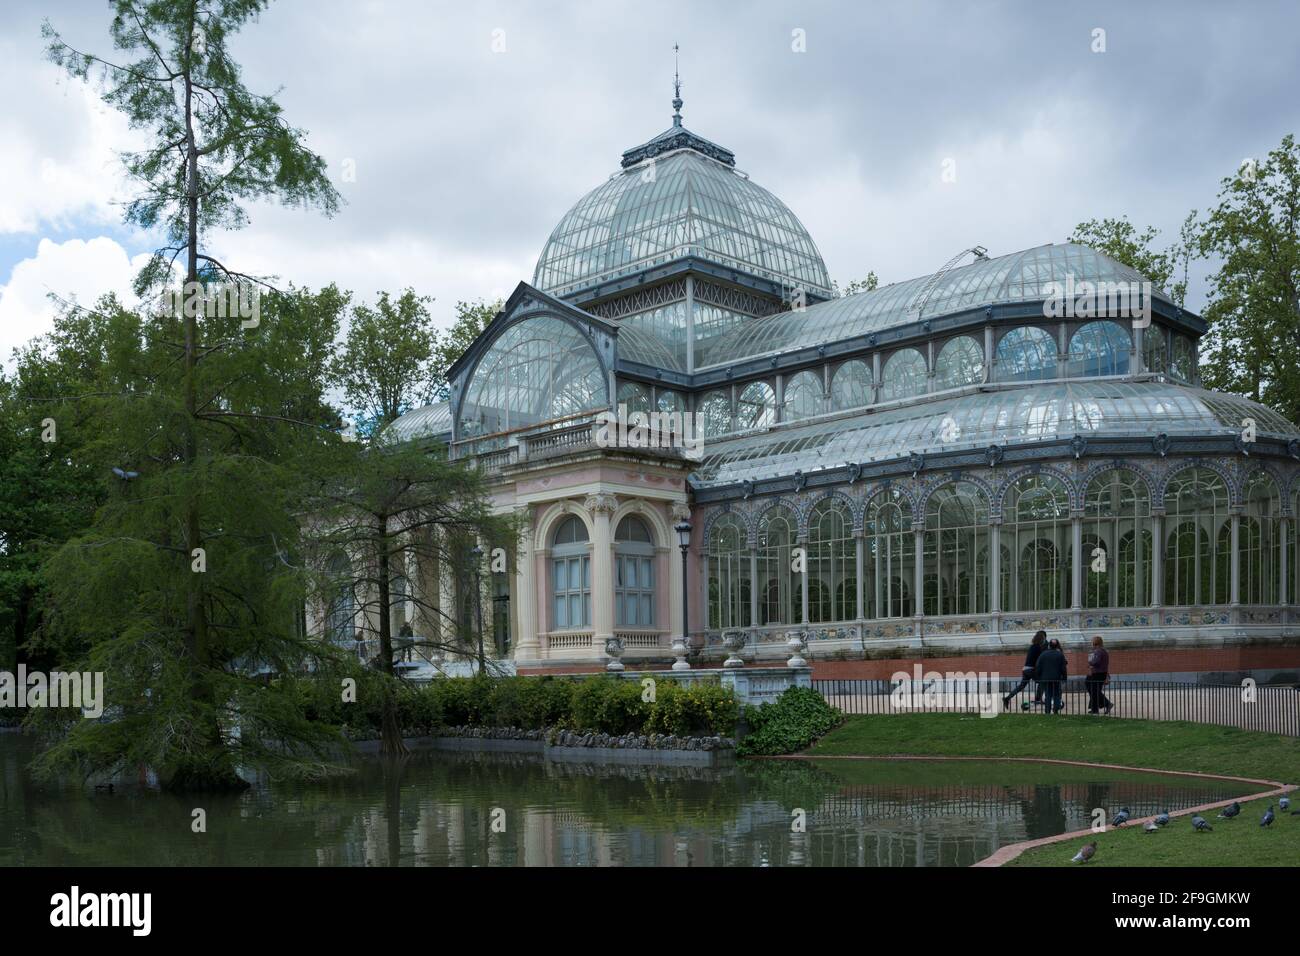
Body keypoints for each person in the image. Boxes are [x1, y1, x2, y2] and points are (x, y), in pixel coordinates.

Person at [1003, 630, 1047, 710]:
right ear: (1042, 639)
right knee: (1042, 681)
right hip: (1031, 670)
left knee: (1021, 686)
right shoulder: (1038, 648)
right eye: (1044, 639)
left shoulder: (1032, 646)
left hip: (1025, 669)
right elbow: (1040, 660)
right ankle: (1038, 699)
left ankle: (1007, 698)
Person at [1035, 638, 1068, 714]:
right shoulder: (1060, 654)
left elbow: (1038, 666)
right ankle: (1055, 710)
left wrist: (1038, 677)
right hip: (1056, 678)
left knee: (1048, 695)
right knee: (1056, 695)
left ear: (1049, 645)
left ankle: (1047, 711)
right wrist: (1064, 677)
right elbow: (1063, 668)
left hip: (1045, 678)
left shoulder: (1043, 654)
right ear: (1057, 646)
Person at [1086, 634, 1113, 715]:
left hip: (1097, 673)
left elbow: (1095, 661)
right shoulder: (1104, 651)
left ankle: (1104, 704)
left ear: (1095, 643)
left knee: (1094, 690)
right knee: (1095, 690)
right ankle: (1096, 707)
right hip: (1102, 673)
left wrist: (1090, 662)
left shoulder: (1098, 651)